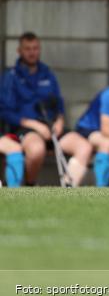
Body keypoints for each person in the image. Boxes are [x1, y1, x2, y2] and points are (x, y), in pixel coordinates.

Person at [0, 32, 92, 186]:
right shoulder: (11, 76)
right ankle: (30, 187)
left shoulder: (47, 73)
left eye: (35, 48)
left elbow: (58, 102)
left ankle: (68, 191)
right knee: (36, 149)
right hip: (26, 130)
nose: (32, 52)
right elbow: (5, 112)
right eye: (28, 49)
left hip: (52, 128)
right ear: (19, 51)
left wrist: (60, 121)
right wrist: (34, 125)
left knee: (85, 147)